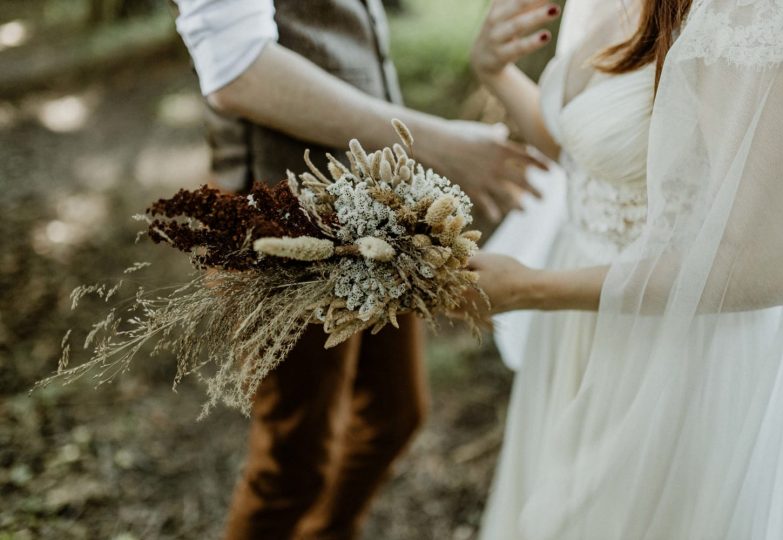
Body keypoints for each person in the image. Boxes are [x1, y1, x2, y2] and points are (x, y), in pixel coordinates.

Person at [171, 1, 545, 539]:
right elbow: (238, 70)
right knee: (295, 461)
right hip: (282, 218)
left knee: (394, 415)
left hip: (369, 209)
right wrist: (436, 142)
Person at [468, 0, 783, 538]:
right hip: (579, 321)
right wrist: (494, 69)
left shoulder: (756, 13)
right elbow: (591, 146)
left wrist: (530, 287)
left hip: (669, 353)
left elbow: (762, 266)